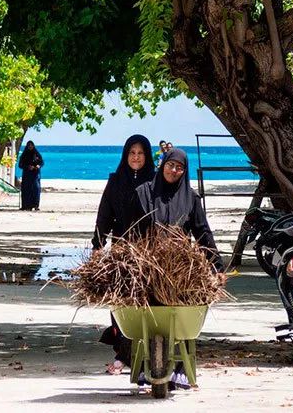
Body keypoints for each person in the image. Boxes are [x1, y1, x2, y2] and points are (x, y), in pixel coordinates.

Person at [130, 147, 223, 389]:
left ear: (184, 171)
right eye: (170, 165)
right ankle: (143, 368)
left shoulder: (191, 199)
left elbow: (203, 233)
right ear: (163, 165)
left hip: (180, 270)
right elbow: (133, 231)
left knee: (182, 313)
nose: (174, 170)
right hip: (148, 265)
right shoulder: (144, 193)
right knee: (146, 314)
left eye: (179, 167)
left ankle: (181, 369)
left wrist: (216, 265)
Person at [92, 134, 156, 375]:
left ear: (147, 156)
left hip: (150, 250)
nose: (136, 157)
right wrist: (98, 246)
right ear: (125, 155)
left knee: (147, 303)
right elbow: (104, 216)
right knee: (121, 303)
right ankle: (122, 354)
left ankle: (148, 352)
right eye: (132, 153)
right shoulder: (116, 181)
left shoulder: (155, 181)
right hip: (122, 248)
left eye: (140, 153)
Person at [18, 140, 44, 210]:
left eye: (31, 146)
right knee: (26, 190)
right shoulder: (24, 155)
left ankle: (35, 205)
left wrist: (38, 166)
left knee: (36, 190)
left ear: (33, 146)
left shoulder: (36, 154)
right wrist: (28, 167)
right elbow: (20, 165)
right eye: (29, 146)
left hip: (35, 175)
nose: (30, 147)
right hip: (27, 175)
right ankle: (26, 206)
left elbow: (42, 162)